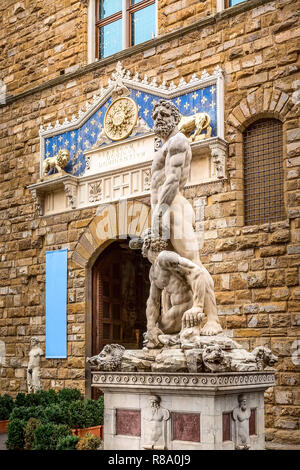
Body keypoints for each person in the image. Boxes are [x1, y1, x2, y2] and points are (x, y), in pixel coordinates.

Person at [150, 100, 221, 336]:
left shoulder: (179, 140)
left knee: (193, 262)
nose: (158, 117)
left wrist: (160, 211)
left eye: (163, 113)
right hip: (162, 209)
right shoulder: (162, 147)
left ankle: (212, 319)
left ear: (175, 117)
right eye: (155, 115)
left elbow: (172, 179)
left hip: (173, 207)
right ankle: (179, 322)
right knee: (168, 269)